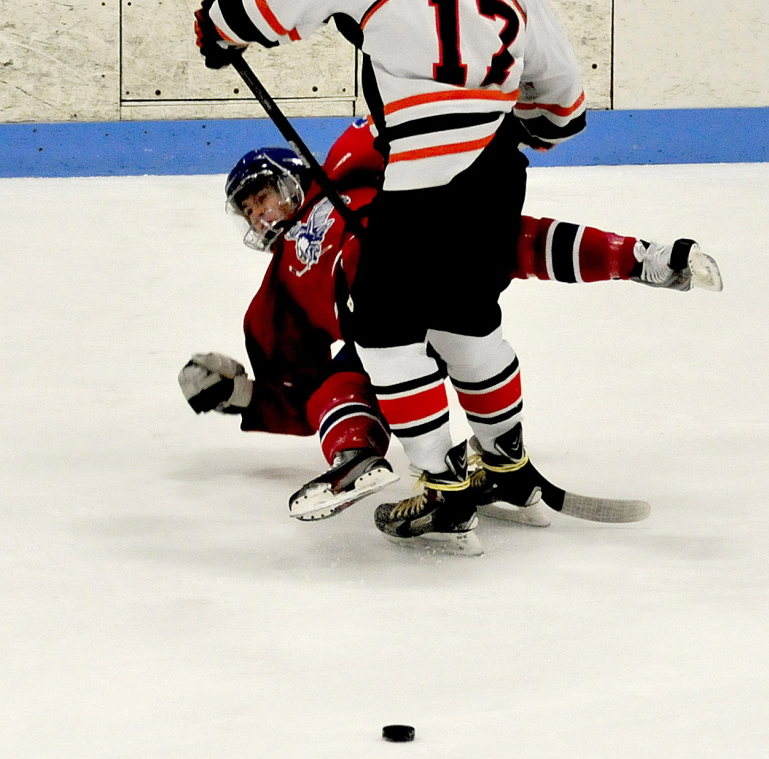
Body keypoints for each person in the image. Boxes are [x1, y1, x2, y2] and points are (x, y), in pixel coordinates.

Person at [192, 0, 721, 555]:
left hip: (424, 167)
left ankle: (445, 490)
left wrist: (216, 29)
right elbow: (562, 108)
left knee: (381, 329)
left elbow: (243, 9)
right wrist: (513, 118)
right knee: (468, 320)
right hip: (499, 165)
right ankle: (505, 468)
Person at [179, 120, 722, 539]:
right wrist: (243, 395)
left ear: (292, 178)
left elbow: (396, 125)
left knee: (506, 240)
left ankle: (643, 259)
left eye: (263, 195)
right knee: (337, 381)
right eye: (247, 211)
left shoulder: (337, 176)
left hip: (414, 252)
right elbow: (297, 384)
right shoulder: (277, 289)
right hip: (386, 329)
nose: (259, 214)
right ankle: (355, 458)